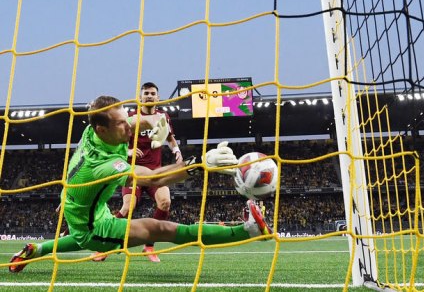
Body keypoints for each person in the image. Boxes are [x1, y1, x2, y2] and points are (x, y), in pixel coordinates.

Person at [9, 95, 271, 273]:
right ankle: (248, 231)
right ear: (102, 130)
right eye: (121, 124)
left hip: (85, 208)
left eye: (126, 118)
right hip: (93, 227)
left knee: (80, 236)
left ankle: (37, 249)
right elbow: (153, 178)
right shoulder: (102, 166)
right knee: (161, 228)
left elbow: (138, 120)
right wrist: (200, 163)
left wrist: (158, 124)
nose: (128, 127)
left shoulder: (95, 130)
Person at [94, 82, 182, 262]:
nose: (149, 96)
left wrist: (177, 151)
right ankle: (105, 245)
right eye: (146, 93)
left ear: (158, 98)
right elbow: (114, 140)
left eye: (152, 93)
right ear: (140, 97)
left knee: (165, 202)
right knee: (128, 207)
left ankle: (149, 246)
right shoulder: (130, 117)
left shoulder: (163, 117)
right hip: (133, 172)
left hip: (155, 172)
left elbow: (170, 138)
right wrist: (127, 151)